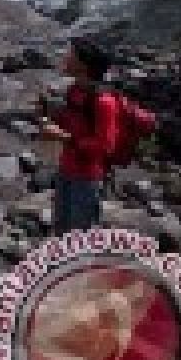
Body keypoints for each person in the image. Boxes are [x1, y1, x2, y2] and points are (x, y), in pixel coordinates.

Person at [38, 38, 121, 234]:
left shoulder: (104, 102)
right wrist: (45, 114)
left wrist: (64, 138)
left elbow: (105, 147)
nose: (66, 58)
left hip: (87, 180)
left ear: (83, 65)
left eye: (71, 55)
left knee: (78, 238)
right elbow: (71, 122)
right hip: (66, 171)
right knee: (60, 232)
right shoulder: (74, 91)